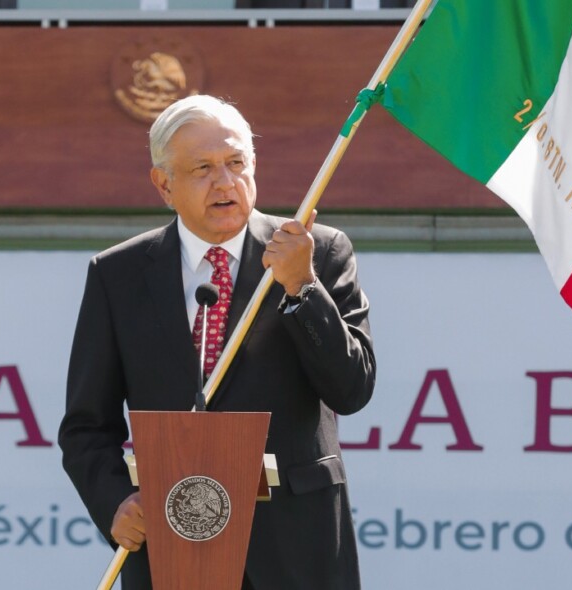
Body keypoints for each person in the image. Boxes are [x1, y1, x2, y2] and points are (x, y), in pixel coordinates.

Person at [59, 95, 375, 589]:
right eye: (203, 168)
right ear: (164, 184)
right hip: (174, 543)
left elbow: (352, 390)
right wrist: (114, 502)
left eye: (235, 163)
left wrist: (302, 288)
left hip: (298, 550)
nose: (225, 182)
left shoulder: (316, 252)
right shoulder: (116, 275)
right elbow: (85, 427)